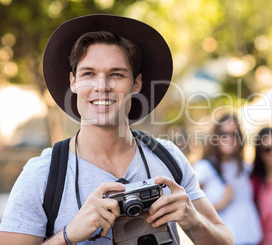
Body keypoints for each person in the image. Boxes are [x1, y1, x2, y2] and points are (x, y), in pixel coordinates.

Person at [0, 14, 233, 245]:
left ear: (137, 84)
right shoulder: (43, 174)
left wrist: (195, 221)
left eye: (116, 74)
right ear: (73, 82)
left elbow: (225, 241)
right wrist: (68, 235)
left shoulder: (168, 157)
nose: (102, 86)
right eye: (88, 74)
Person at [193, 114, 262, 245]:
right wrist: (221, 203)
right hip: (224, 239)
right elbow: (192, 208)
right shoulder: (204, 167)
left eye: (234, 134)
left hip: (250, 238)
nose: (229, 139)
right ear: (216, 137)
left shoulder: (244, 167)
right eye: (224, 134)